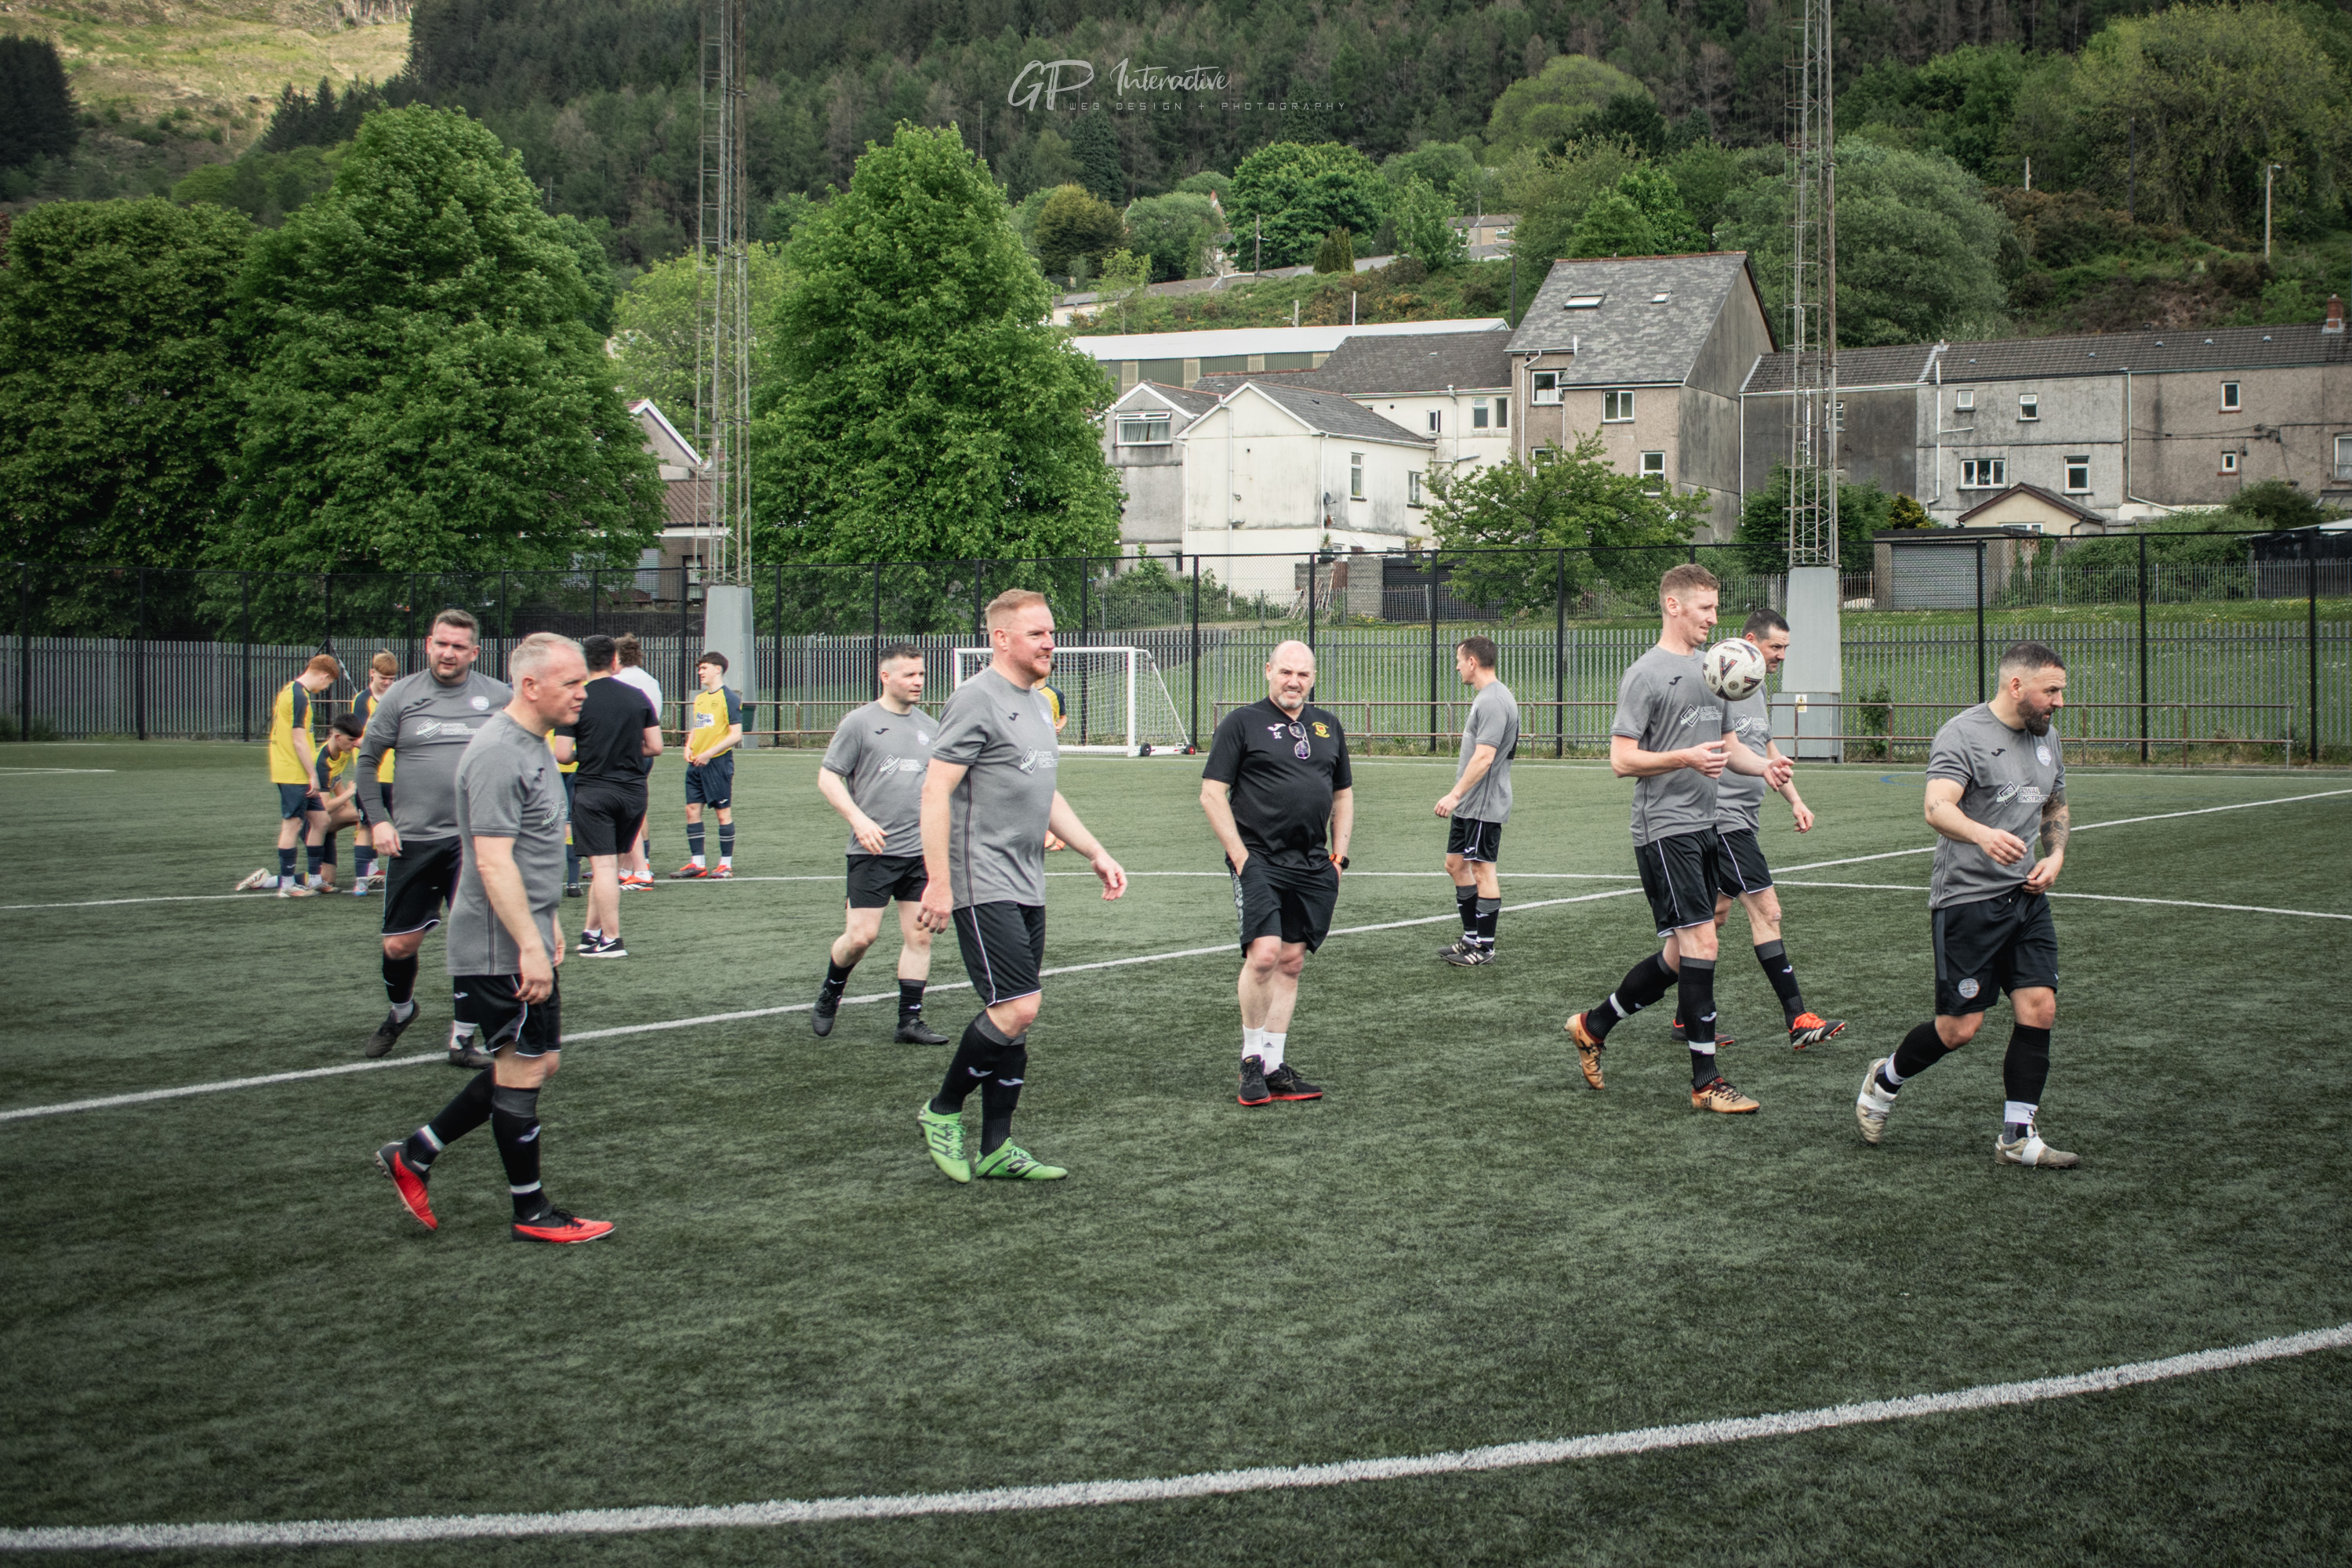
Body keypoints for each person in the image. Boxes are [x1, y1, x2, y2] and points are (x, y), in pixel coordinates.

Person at [373, 631, 614, 1244]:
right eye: (573, 683)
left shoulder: (534, 744)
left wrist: (549, 920)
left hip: (522, 931)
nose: (583, 694)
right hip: (496, 943)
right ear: (531, 686)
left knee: (535, 1062)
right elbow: (491, 861)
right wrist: (527, 945)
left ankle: (417, 1153)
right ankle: (530, 1213)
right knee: (526, 1069)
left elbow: (532, 853)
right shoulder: (500, 751)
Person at [914, 590, 1127, 1183]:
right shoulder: (974, 699)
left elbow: (1045, 792)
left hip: (1027, 881)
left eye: (1051, 632)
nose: (1050, 643)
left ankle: (997, 1147)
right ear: (1002, 639)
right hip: (981, 882)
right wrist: (938, 881)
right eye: (1037, 633)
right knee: (1018, 1006)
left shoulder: (1037, 704)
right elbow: (934, 792)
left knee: (1015, 1014)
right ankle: (941, 1111)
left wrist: (1094, 849)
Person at [1563, 564, 1788, 1114]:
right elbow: (1621, 760)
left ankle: (1593, 1025)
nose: (1715, 618)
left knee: (1675, 955)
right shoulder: (1645, 674)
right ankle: (1706, 1082)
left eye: (1715, 607)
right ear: (1674, 606)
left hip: (1707, 823)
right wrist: (1681, 757)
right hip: (1664, 829)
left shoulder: (1717, 670)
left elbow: (1729, 745)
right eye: (1705, 609)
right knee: (1702, 943)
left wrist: (1763, 769)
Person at [1857, 642, 2078, 1168]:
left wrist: (2057, 855)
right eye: (2052, 691)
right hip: (1968, 900)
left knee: (2039, 1008)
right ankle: (1884, 1080)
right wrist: (1983, 836)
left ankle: (2017, 1137)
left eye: (2062, 691)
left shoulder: (2047, 739)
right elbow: (1937, 807)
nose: (2060, 703)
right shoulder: (1964, 733)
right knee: (1960, 1029)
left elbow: (2056, 803)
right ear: (2016, 687)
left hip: (2026, 897)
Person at [1675, 608, 1847, 1051]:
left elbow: (1763, 745)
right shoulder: (1716, 679)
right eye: (1776, 647)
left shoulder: (1754, 684)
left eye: (1785, 648)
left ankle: (1682, 1016)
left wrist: (1795, 798)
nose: (1782, 656)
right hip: (1724, 820)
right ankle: (1799, 1019)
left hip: (1743, 817)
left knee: (1710, 919)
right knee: (1767, 912)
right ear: (1750, 640)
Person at [355, 609, 510, 1065]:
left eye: (459, 646)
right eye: (442, 643)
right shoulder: (401, 695)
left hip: (474, 839)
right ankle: (402, 1011)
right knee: (399, 945)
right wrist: (379, 820)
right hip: (413, 841)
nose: (449, 652)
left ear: (474, 652)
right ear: (428, 644)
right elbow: (367, 761)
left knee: (472, 940)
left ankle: (462, 1040)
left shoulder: (498, 697)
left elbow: (527, 750)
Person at [1200, 639, 1350, 1108]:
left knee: (1291, 961)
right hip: (1259, 859)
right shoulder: (1242, 723)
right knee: (1264, 955)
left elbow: (1343, 794)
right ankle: (1250, 1060)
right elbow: (1211, 793)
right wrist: (1241, 857)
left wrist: (1339, 857)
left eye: (1303, 674)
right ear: (1268, 671)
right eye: (1286, 672)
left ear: (1313, 677)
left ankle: (1274, 1064)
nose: (1294, 682)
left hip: (1312, 862)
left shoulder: (1328, 726)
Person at [813, 644, 947, 1044]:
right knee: (860, 937)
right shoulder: (859, 723)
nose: (918, 682)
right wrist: (858, 819)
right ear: (885, 677)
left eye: (921, 674)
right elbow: (827, 778)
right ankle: (831, 991)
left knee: (920, 936)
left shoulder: (931, 728)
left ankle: (909, 1021)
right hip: (872, 851)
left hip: (920, 852)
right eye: (909, 675)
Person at [564, 634, 662, 958]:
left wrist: (592, 750)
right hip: (634, 793)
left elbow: (563, 754)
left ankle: (613, 939)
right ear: (615, 661)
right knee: (606, 863)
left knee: (604, 867)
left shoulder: (576, 699)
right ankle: (591, 933)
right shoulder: (637, 696)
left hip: (594, 791)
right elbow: (655, 747)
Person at [1433, 635, 1518, 967]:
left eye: (1459, 660)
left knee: (1482, 869)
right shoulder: (1486, 698)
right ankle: (1470, 938)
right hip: (1470, 804)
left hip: (1484, 803)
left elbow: (1484, 758)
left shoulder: (1495, 700)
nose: (1456, 666)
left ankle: (1485, 947)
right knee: (1455, 865)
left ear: (1472, 662)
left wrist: (1455, 795)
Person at [236, 653, 339, 898]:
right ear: (324, 676)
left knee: (322, 820)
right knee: (292, 825)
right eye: (328, 683)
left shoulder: (291, 690)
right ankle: (286, 885)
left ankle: (314, 879)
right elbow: (298, 739)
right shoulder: (299, 696)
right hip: (294, 772)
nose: (324, 688)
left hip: (294, 771)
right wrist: (313, 774)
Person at [671, 651, 744, 880]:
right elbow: (698, 726)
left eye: (704, 668)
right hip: (697, 764)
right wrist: (689, 746)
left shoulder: (729, 698)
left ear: (718, 669)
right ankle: (697, 864)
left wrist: (710, 753)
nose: (700, 672)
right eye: (699, 668)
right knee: (692, 810)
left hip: (717, 763)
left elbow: (736, 735)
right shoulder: (701, 698)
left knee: (723, 814)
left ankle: (725, 864)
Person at [612, 634, 662, 891]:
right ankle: (632, 864)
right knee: (637, 806)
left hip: (625, 752)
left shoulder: (618, 682)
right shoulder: (650, 680)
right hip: (645, 751)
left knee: (625, 810)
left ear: (617, 656)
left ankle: (632, 868)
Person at [350, 652, 401, 894]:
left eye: (391, 678)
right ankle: (362, 880)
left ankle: (401, 875)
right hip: (370, 775)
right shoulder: (363, 701)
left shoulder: (396, 699)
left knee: (405, 824)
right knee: (366, 826)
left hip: (396, 776)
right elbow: (357, 739)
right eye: (383, 678)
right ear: (372, 673)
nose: (387, 683)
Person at [303, 713, 369, 893]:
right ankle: (367, 870)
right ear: (338, 737)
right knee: (364, 816)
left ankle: (367, 867)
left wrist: (348, 806)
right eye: (351, 740)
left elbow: (336, 782)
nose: (355, 744)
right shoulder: (322, 762)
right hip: (311, 823)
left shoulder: (341, 751)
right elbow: (322, 808)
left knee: (329, 880)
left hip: (326, 822)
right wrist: (351, 793)